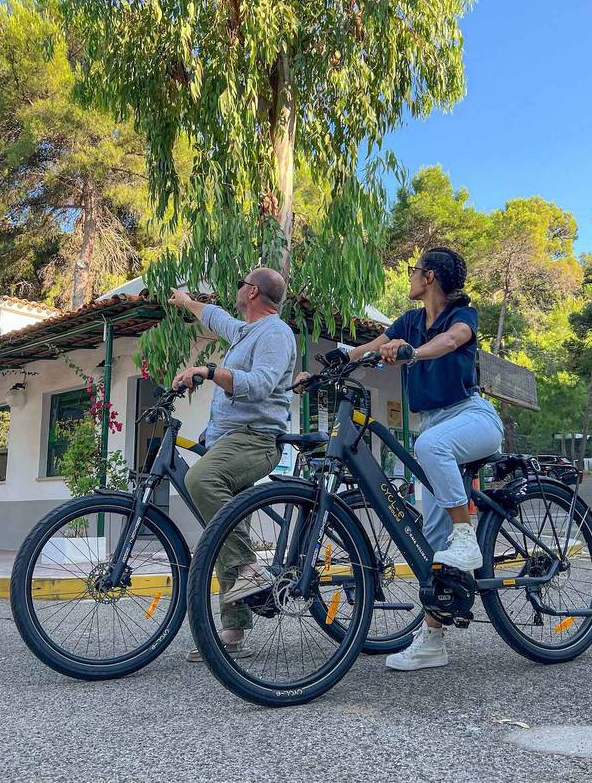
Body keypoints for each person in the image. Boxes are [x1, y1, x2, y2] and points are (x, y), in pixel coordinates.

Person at [296, 247, 503, 672]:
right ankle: (432, 640)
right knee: (432, 546)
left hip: (471, 416)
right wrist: (332, 362)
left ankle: (467, 537)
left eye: (413, 272)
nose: (409, 278)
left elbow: (452, 342)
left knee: (431, 449)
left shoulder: (461, 317)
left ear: (429, 278)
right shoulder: (409, 321)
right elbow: (372, 345)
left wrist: (413, 353)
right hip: (434, 426)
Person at [168, 268, 297, 662]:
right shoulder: (244, 331)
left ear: (253, 291)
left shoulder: (275, 333)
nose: (236, 288)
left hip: (255, 439)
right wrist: (187, 302)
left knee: (201, 480)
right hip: (228, 441)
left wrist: (207, 371)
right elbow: (216, 316)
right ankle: (234, 631)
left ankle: (248, 569)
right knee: (223, 526)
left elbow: (260, 384)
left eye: (241, 283)